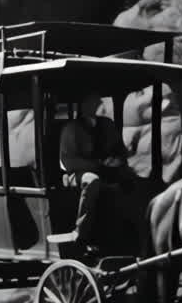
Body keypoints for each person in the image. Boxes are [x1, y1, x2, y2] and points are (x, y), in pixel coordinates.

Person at [59, 93, 139, 249]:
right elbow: (68, 161)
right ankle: (80, 231)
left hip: (108, 171)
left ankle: (129, 231)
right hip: (78, 173)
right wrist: (99, 165)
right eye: (91, 102)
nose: (95, 105)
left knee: (132, 179)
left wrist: (118, 160)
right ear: (82, 106)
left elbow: (120, 150)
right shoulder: (71, 129)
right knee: (92, 180)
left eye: (96, 102)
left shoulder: (107, 124)